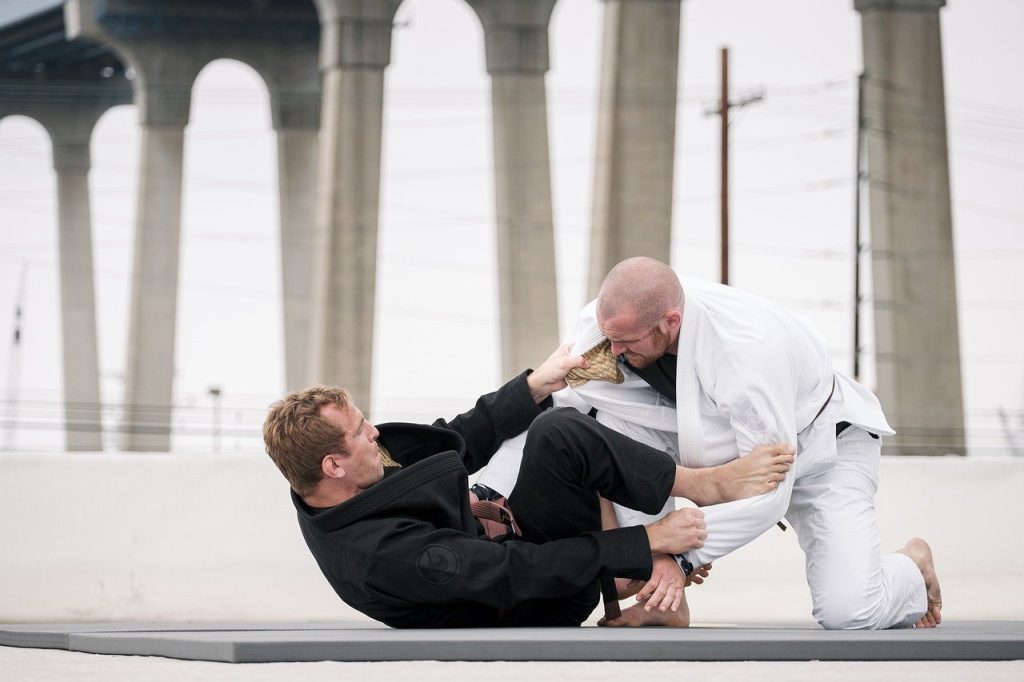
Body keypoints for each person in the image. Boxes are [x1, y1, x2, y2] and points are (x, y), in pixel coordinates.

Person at [262, 344, 795, 628]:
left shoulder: (354, 473)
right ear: (332, 466)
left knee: (555, 419)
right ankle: (659, 551)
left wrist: (537, 383)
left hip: (504, 539)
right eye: (359, 431)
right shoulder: (380, 556)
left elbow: (452, 442)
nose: (373, 431)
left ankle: (681, 507)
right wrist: (649, 540)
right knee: (563, 434)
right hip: (532, 598)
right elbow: (518, 573)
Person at [568, 256, 942, 630]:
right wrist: (654, 551)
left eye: (625, 341)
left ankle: (911, 565)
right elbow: (586, 415)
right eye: (609, 338)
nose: (613, 350)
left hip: (824, 446)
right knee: (613, 427)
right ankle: (664, 603)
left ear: (671, 322)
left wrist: (682, 560)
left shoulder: (745, 355)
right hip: (715, 438)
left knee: (851, 612)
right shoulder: (606, 326)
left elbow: (768, 493)